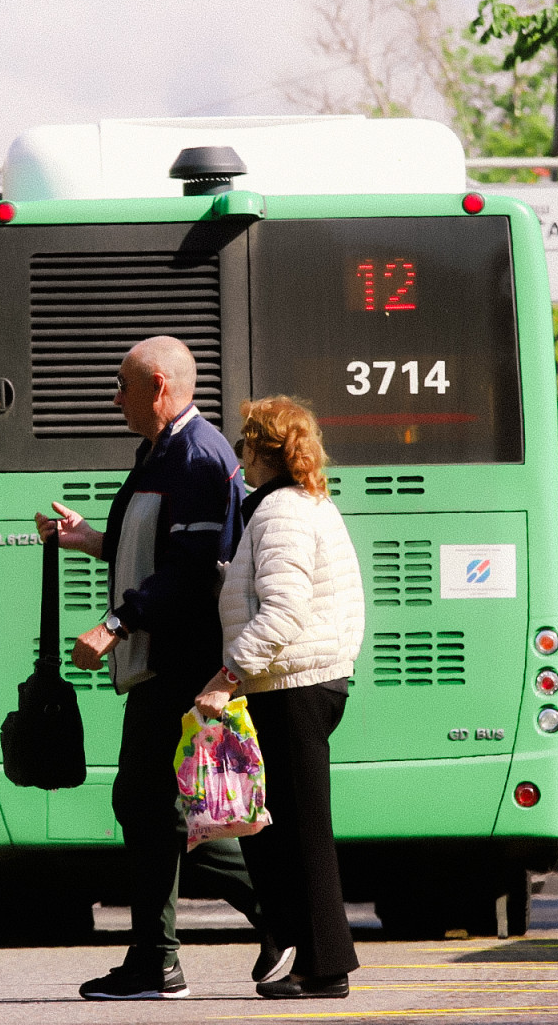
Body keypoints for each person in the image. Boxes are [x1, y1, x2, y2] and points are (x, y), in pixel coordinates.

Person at [37, 336, 283, 1001]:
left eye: (120, 386)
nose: (112, 400)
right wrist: (88, 538)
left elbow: (193, 570)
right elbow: (150, 548)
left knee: (152, 806)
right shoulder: (160, 452)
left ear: (155, 386)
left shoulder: (198, 457)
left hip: (183, 660)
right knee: (151, 806)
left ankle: (257, 925)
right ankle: (167, 954)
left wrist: (114, 626)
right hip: (161, 661)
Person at [196, 396, 364, 999]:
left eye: (243, 443)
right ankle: (310, 956)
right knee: (287, 829)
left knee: (302, 831)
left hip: (294, 687)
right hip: (302, 681)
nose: (238, 454)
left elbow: (285, 609)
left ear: (261, 450)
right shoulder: (292, 507)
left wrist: (227, 675)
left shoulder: (282, 514)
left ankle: (326, 966)